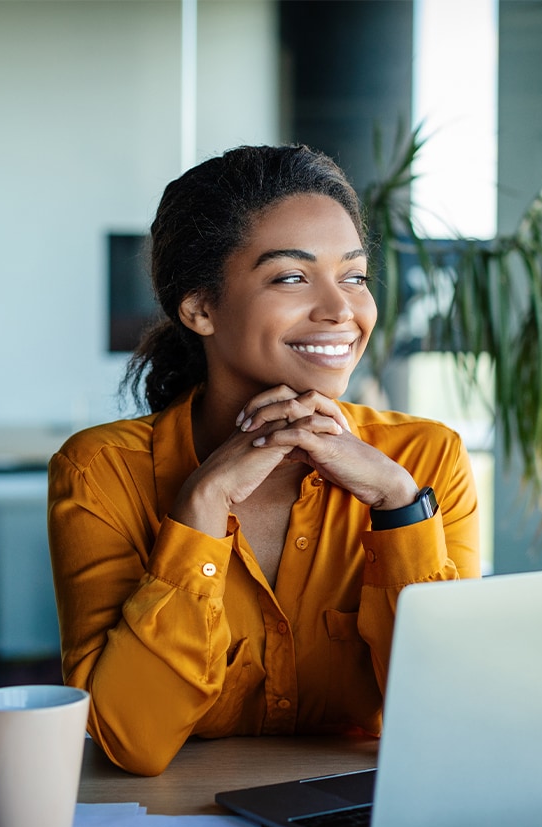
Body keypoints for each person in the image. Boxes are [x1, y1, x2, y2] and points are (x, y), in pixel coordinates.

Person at [48, 144, 480, 777]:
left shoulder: (423, 461)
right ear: (198, 308)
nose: (342, 311)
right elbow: (130, 741)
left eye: (354, 276)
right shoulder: (100, 472)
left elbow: (454, 718)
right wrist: (199, 510)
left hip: (364, 819)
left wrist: (399, 508)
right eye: (291, 277)